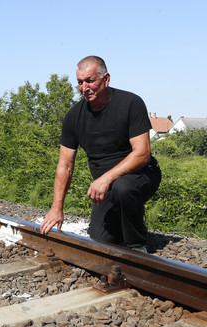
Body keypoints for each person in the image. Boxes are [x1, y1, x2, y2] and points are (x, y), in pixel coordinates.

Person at [40, 56, 161, 252]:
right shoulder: (74, 117)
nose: (84, 88)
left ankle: (137, 246)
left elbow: (142, 154)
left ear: (106, 79)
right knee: (100, 239)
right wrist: (56, 208)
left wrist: (106, 178)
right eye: (80, 82)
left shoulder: (131, 103)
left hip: (141, 175)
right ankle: (124, 225)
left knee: (123, 187)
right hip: (106, 188)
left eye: (90, 81)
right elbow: (65, 165)